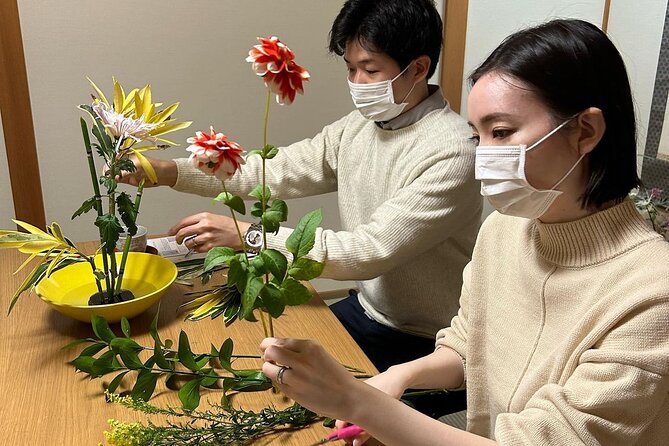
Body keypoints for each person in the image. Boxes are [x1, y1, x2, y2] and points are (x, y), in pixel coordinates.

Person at [259, 18, 669, 445]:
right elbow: (468, 344)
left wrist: (359, 403)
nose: (482, 158)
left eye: (503, 132)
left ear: (585, 131)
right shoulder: (504, 231)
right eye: (479, 137)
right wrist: (395, 380)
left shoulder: (652, 293)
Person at [120, 0, 481, 373]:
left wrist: (250, 236)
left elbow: (367, 251)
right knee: (257, 351)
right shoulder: (359, 127)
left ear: (418, 68)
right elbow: (276, 170)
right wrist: (167, 171)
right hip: (368, 307)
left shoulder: (452, 152)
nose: (356, 83)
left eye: (370, 70)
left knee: (296, 394)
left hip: (428, 338)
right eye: (350, 68)